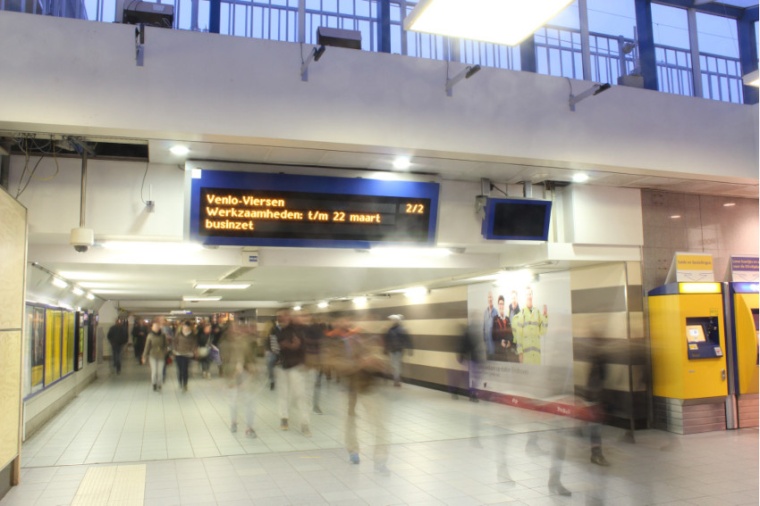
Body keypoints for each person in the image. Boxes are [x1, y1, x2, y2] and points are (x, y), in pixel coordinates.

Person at [325, 315, 389, 471]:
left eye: (346, 320)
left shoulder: (361, 337)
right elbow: (334, 364)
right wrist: (358, 364)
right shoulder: (333, 342)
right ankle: (353, 451)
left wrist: (377, 362)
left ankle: (381, 459)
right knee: (350, 421)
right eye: (340, 320)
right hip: (349, 388)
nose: (344, 323)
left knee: (379, 423)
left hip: (368, 386)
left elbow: (378, 354)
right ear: (335, 323)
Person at [272, 309, 311, 436]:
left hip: (295, 367)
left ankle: (305, 423)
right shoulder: (275, 331)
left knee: (300, 395)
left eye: (284, 317)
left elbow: (302, 346)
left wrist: (292, 347)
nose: (282, 319)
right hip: (282, 367)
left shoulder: (298, 330)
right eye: (279, 317)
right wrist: (288, 346)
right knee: (283, 394)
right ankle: (284, 418)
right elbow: (274, 347)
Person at [219, 322, 259, 438]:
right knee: (233, 401)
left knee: (250, 401)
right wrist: (232, 372)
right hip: (232, 376)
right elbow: (224, 362)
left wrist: (251, 366)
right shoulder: (225, 344)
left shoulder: (245, 342)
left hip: (245, 375)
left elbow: (250, 357)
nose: (238, 330)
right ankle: (233, 422)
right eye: (234, 328)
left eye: (238, 328)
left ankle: (249, 428)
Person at [512, 287, 548, 365]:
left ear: (532, 295)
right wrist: (520, 353)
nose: (529, 296)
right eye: (527, 294)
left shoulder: (537, 312)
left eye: (530, 294)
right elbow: (519, 336)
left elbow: (543, 332)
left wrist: (545, 317)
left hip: (536, 358)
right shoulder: (521, 314)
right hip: (526, 358)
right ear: (525, 297)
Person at [383, 314, 412, 387]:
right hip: (393, 350)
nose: (391, 321)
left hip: (398, 350)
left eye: (392, 320)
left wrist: (409, 349)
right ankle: (396, 378)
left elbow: (406, 339)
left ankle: (397, 380)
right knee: (394, 365)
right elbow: (387, 340)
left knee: (396, 365)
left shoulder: (400, 329)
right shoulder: (391, 330)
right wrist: (385, 349)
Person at [142, 319, 168, 392]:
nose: (156, 328)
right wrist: (144, 356)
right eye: (155, 327)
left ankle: (159, 384)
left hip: (161, 355)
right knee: (154, 371)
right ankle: (154, 383)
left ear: (159, 328)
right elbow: (147, 346)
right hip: (152, 355)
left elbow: (166, 345)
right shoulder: (150, 336)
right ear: (152, 328)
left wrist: (165, 352)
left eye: (157, 327)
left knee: (160, 372)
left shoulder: (163, 336)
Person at [174, 320, 197, 393]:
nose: (185, 328)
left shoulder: (192, 335)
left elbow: (194, 344)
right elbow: (175, 342)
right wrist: (175, 350)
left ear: (189, 328)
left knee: (185, 370)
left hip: (187, 355)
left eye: (186, 327)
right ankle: (180, 382)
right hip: (178, 354)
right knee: (180, 370)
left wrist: (193, 350)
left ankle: (185, 384)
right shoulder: (178, 334)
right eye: (184, 327)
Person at [492, 295, 516, 362]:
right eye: (499, 304)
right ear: (498, 305)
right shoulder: (495, 319)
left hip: (507, 352)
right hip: (498, 351)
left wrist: (509, 342)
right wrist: (500, 342)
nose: (501, 306)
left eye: (502, 304)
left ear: (504, 305)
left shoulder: (507, 319)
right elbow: (493, 336)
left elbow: (511, 334)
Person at [482, 291, 498, 357]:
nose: (490, 299)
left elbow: (498, 329)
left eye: (491, 297)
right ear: (487, 299)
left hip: (494, 346)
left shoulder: (496, 312)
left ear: (493, 299)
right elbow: (483, 328)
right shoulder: (485, 312)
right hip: (486, 347)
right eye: (489, 297)